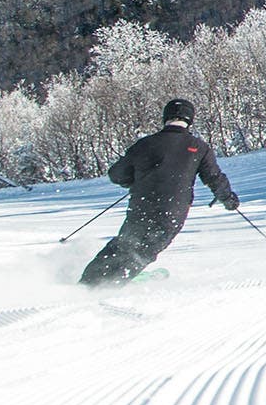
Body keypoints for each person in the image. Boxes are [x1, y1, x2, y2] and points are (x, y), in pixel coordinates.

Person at [80, 98, 239, 284]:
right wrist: (228, 199)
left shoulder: (145, 144)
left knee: (124, 244)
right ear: (190, 119)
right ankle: (112, 283)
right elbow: (213, 177)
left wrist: (133, 181)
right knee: (145, 250)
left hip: (141, 206)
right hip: (173, 211)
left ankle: (88, 281)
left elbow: (116, 174)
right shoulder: (199, 148)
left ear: (166, 117)